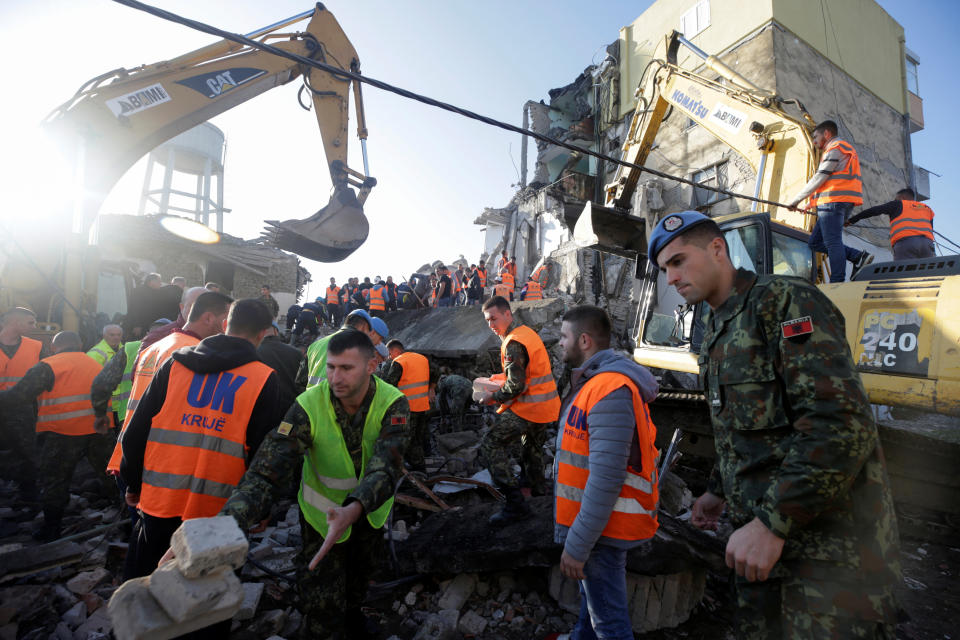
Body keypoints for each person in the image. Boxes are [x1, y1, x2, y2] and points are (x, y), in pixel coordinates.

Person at [648, 210, 901, 638]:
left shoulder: (786, 303)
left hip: (828, 562)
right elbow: (739, 426)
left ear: (717, 249)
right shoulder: (715, 327)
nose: (670, 278)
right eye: (664, 269)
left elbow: (840, 423)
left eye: (677, 261)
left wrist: (772, 524)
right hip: (763, 551)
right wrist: (716, 490)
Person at [219, 329, 410, 639]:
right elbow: (267, 471)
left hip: (368, 515)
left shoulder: (393, 403)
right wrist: (224, 525)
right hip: (321, 516)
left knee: (360, 577)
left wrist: (354, 508)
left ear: (372, 365)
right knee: (320, 597)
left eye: (346, 368)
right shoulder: (308, 405)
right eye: (331, 367)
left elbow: (387, 465)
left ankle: (353, 614)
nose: (335, 377)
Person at [120, 299, 281, 583]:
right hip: (220, 516)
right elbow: (263, 457)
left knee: (149, 593)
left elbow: (134, 434)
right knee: (207, 604)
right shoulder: (263, 379)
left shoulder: (175, 364)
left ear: (224, 324)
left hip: (159, 504)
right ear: (263, 333)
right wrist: (261, 508)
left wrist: (133, 483)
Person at [554, 305, 660, 640]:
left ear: (583, 340)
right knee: (592, 607)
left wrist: (578, 544)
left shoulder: (610, 390)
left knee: (609, 624)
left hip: (602, 530)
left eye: (564, 337)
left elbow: (606, 478)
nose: (559, 344)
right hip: (598, 526)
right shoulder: (596, 383)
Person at [0, 331, 117, 541]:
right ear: (80, 344)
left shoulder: (48, 365)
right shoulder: (95, 364)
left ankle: (51, 529)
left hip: (63, 433)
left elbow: (18, 396)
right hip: (99, 431)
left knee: (55, 482)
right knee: (110, 476)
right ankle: (127, 519)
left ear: (54, 347)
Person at [104, 292, 234, 478]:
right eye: (226, 320)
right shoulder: (193, 354)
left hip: (131, 456)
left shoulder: (156, 346)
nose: (227, 327)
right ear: (208, 317)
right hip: (159, 463)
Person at [476, 296, 560, 524]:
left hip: (530, 407)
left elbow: (516, 385)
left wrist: (491, 397)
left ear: (507, 314)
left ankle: (515, 504)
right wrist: (499, 378)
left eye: (494, 318)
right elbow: (527, 372)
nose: (491, 325)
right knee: (531, 447)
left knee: (490, 444)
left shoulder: (513, 343)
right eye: (487, 321)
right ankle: (538, 491)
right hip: (546, 406)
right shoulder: (526, 333)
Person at [787, 120, 872, 282]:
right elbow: (830, 181)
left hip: (833, 203)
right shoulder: (843, 149)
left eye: (815, 137)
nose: (814, 141)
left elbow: (820, 176)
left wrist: (796, 200)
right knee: (815, 243)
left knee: (833, 242)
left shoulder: (835, 148)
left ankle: (837, 281)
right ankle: (857, 256)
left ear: (827, 134)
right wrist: (810, 204)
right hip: (838, 202)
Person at [0, 307, 45, 504]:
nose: (34, 327)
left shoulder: (36, 346)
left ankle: (28, 492)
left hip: (23, 408)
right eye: (30, 323)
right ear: (15, 323)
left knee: (26, 449)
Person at [299, 309, 388, 388]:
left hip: (310, 403)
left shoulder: (315, 345)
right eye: (369, 331)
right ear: (363, 327)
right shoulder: (359, 350)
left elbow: (300, 381)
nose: (379, 343)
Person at [383, 340, 434, 470]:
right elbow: (435, 374)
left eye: (389, 354)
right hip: (422, 407)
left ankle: (416, 470)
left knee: (403, 438)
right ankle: (422, 463)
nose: (389, 357)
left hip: (404, 411)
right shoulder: (422, 359)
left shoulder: (399, 361)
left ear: (395, 350)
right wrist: (431, 389)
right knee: (418, 438)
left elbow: (390, 385)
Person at [847, 187, 936, 260]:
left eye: (896, 198)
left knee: (903, 276)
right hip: (927, 245)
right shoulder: (927, 209)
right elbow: (930, 230)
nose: (895, 200)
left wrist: (851, 220)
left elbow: (874, 210)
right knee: (930, 275)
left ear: (902, 198)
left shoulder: (898, 204)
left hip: (906, 244)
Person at [137, 286, 207, 354]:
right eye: (194, 306)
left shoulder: (215, 335)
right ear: (182, 307)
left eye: (206, 307)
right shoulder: (158, 337)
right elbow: (143, 365)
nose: (201, 312)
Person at [258, 322, 305, 413]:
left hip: (265, 412)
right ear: (276, 331)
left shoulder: (254, 353)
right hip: (290, 411)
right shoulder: (296, 353)